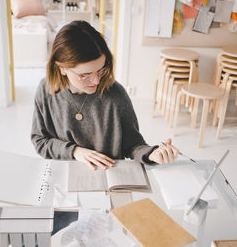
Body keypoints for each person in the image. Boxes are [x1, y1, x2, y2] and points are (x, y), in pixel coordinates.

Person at [31, 20, 178, 170]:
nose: (96, 80)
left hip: (108, 177)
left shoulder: (116, 95)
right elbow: (40, 141)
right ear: (62, 68)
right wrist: (75, 151)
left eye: (100, 70)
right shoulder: (46, 90)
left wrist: (151, 154)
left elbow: (133, 145)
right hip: (64, 174)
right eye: (85, 74)